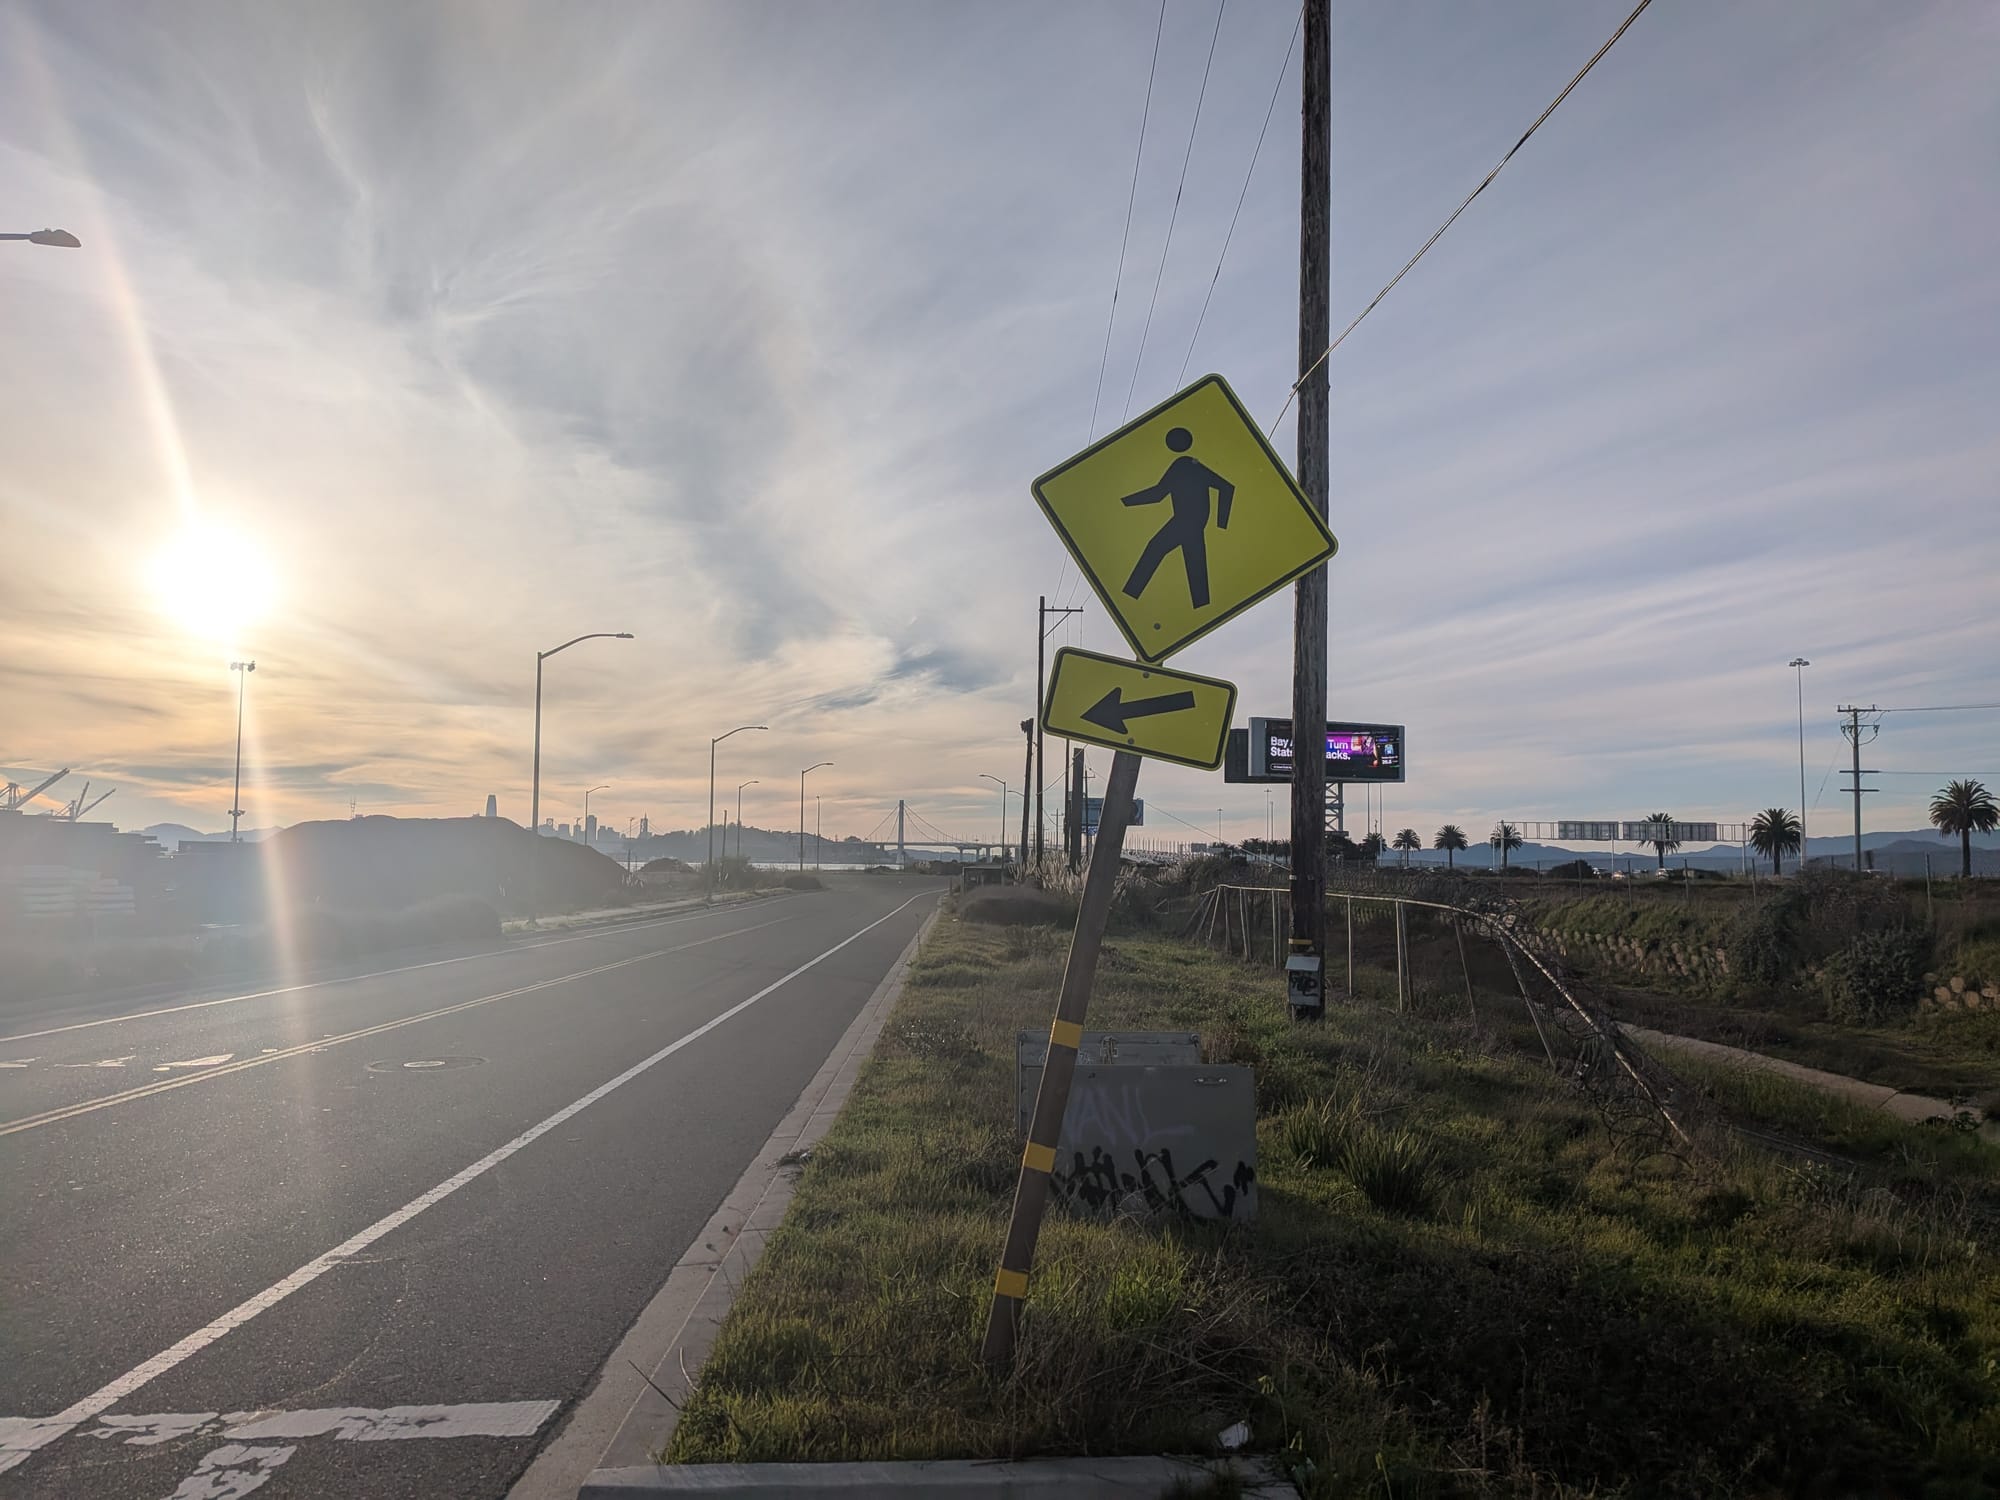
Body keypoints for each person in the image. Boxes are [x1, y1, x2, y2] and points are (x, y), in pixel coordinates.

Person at [1119, 426, 1233, 609]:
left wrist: (1222, 523)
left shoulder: (1184, 465)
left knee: (1155, 548)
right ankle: (1202, 605)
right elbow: (1160, 494)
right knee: (1194, 562)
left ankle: (1131, 594)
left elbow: (1159, 493)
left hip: (1185, 522)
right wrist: (1127, 502)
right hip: (1194, 523)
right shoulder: (1189, 465)